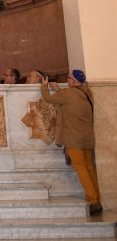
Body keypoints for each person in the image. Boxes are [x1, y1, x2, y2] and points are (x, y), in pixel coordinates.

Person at [41, 69, 102, 216]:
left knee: (81, 169)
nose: (67, 80)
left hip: (74, 139)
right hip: (87, 138)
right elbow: (70, 100)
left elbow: (48, 98)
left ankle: (93, 201)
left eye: (68, 78)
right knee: (89, 168)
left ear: (73, 81)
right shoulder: (87, 93)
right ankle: (97, 200)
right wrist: (60, 90)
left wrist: (44, 86)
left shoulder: (67, 94)